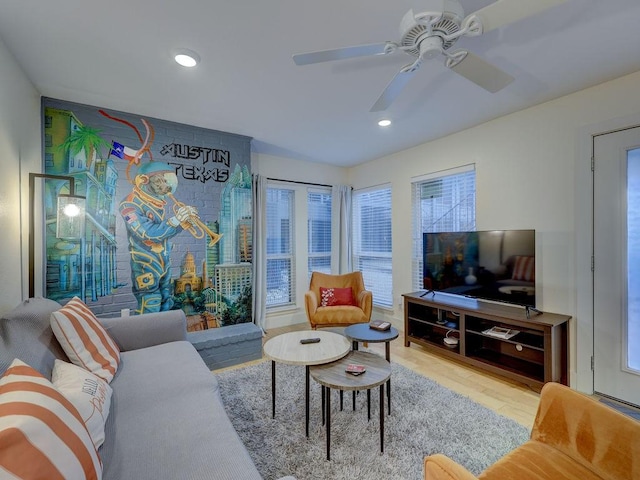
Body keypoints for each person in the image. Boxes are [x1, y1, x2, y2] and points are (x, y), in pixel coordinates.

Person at [119, 161, 198, 313]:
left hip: (163, 262)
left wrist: (183, 223)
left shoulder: (154, 204)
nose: (165, 186)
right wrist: (176, 220)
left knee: (166, 303)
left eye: (166, 181)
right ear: (143, 181)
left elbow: (162, 233)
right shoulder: (129, 205)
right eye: (160, 180)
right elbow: (147, 233)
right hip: (146, 263)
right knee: (151, 304)